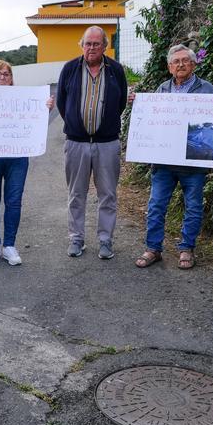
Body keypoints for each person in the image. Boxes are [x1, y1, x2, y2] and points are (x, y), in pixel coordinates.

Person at [134, 44, 213, 270]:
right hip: (164, 162)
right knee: (156, 205)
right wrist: (137, 106)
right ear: (169, 67)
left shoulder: (207, 90)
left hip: (193, 162)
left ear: (193, 64)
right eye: (175, 62)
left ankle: (187, 248)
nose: (180, 65)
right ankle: (153, 248)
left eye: (185, 60)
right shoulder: (162, 90)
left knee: (193, 206)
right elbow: (150, 122)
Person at [56, 26, 128, 260]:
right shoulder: (69, 69)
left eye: (96, 44)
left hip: (107, 144)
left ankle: (106, 240)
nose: (91, 48)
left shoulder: (116, 70)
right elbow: (61, 103)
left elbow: (121, 103)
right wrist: (77, 125)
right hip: (76, 143)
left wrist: (103, 127)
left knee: (107, 194)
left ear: (105, 46)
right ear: (82, 45)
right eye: (88, 43)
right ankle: (76, 239)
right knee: (76, 194)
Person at [0, 60, 54, 266]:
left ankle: (9, 245)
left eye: (6, 74)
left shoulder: (23, 99)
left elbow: (35, 121)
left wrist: (45, 108)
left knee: (14, 200)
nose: (2, 77)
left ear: (12, 79)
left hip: (17, 158)